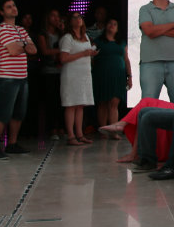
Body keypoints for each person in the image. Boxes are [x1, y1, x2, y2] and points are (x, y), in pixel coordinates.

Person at [0, 0, 37, 159]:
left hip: (22, 77)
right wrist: (24, 45)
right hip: (7, 78)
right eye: (9, 7)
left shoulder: (21, 30)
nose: (13, 8)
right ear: (2, 12)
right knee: (3, 113)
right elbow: (14, 51)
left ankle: (12, 144)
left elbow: (34, 50)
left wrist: (21, 45)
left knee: (19, 113)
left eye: (14, 5)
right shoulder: (1, 29)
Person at [58, 12, 98, 146]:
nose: (78, 19)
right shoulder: (68, 38)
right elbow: (63, 58)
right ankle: (70, 135)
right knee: (71, 105)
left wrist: (90, 54)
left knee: (80, 105)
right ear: (70, 21)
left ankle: (80, 134)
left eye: (80, 17)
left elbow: (86, 53)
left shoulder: (86, 36)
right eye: (75, 17)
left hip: (84, 75)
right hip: (71, 75)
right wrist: (83, 53)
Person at [91, 18, 131, 134]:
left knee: (114, 103)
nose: (112, 26)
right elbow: (91, 58)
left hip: (118, 76)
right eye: (110, 23)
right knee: (103, 102)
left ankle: (113, 131)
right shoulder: (98, 42)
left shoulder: (122, 43)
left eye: (115, 24)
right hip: (102, 75)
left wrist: (129, 76)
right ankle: (103, 129)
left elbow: (126, 60)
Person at [35, 8, 65, 140]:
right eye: (53, 16)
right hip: (49, 71)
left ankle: (62, 128)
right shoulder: (43, 34)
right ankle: (52, 129)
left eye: (57, 16)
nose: (56, 18)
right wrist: (60, 50)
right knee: (51, 101)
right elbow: (45, 51)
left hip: (63, 71)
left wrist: (63, 30)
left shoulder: (61, 33)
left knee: (62, 101)